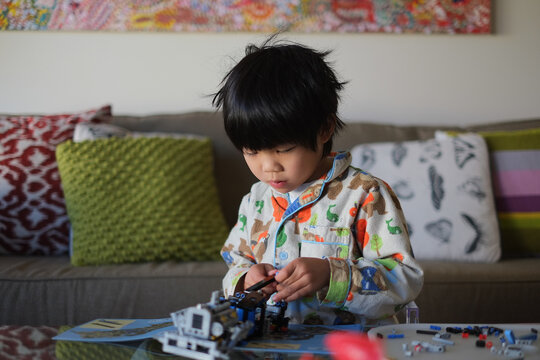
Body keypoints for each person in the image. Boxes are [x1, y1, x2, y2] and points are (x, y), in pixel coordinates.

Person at [212, 36, 423, 326]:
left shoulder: (365, 194)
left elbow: (404, 280)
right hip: (272, 343)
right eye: (251, 151)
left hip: (351, 348)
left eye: (283, 149)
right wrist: (245, 278)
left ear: (325, 128)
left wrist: (331, 275)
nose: (268, 166)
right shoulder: (254, 200)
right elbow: (235, 260)